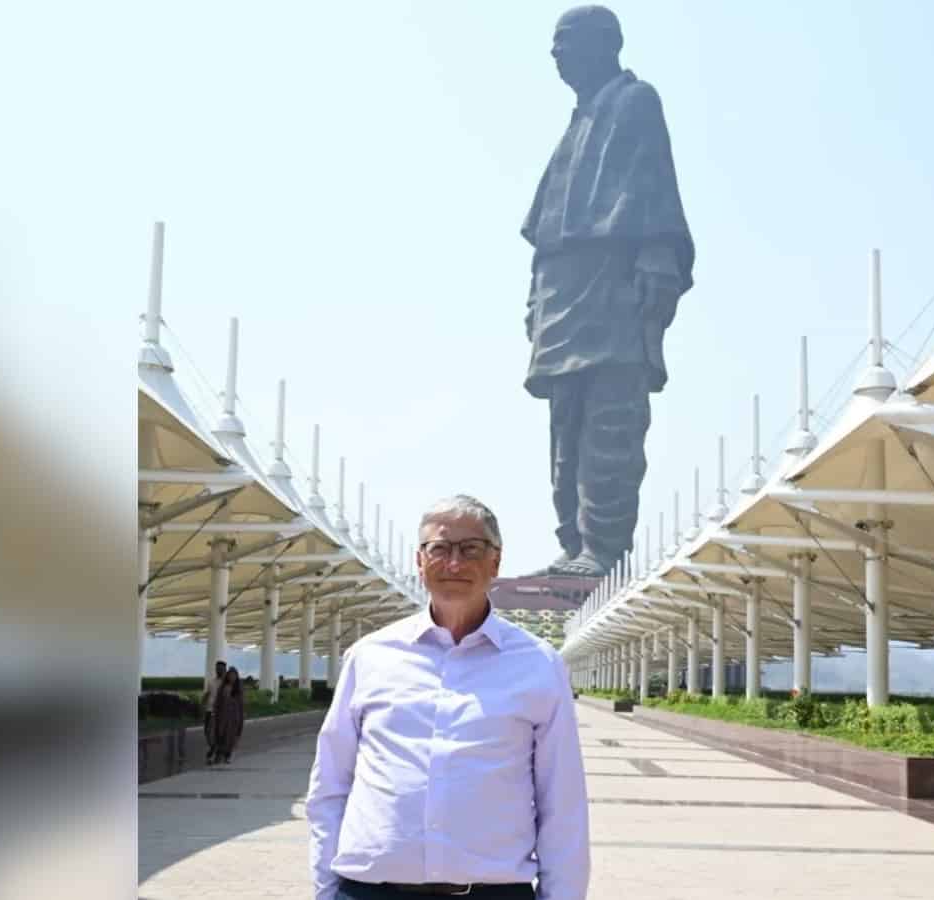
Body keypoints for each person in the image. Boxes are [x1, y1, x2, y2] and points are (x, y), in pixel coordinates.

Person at [306, 495, 590, 900]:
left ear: (496, 562)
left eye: (470, 549)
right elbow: (330, 787)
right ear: (420, 562)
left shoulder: (538, 665)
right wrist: (324, 891)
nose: (454, 563)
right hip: (370, 891)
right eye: (439, 549)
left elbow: (563, 806)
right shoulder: (370, 657)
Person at [521, 5, 694, 578]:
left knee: (611, 421)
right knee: (564, 428)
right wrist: (535, 298)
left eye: (565, 41)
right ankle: (574, 543)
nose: (555, 55)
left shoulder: (634, 101)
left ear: (604, 44)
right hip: (563, 292)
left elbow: (656, 186)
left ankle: (602, 549)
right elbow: (546, 225)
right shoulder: (578, 121)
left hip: (612, 285)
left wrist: (657, 256)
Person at [210, 666, 245, 765]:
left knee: (231, 736)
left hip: (234, 717)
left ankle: (228, 755)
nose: (232, 677)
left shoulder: (238, 689)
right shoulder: (223, 687)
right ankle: (218, 754)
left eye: (234, 675)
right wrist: (214, 713)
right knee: (220, 734)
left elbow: (241, 704)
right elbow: (218, 702)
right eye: (230, 675)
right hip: (222, 716)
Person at [201, 659, 226, 765]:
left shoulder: (227, 684)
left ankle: (216, 752)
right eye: (217, 669)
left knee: (218, 733)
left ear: (225, 670)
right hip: (209, 710)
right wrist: (202, 704)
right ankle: (213, 748)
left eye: (221, 669)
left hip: (221, 712)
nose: (218, 671)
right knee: (207, 732)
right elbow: (207, 694)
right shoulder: (212, 681)